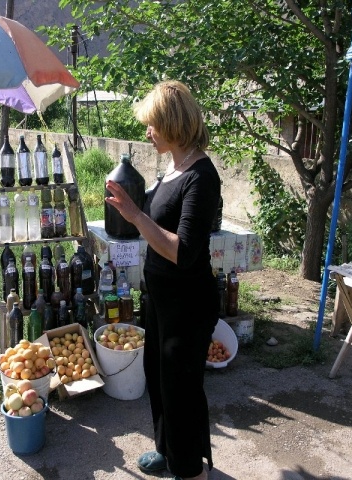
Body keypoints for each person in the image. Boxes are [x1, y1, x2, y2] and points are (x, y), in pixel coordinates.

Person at [105, 80, 220, 480]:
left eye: (153, 124)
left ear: (173, 123)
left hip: (188, 304)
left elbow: (183, 251)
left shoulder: (202, 176)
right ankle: (166, 450)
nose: (148, 132)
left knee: (181, 390)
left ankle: (190, 470)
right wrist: (132, 212)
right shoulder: (172, 167)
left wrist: (137, 216)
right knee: (158, 378)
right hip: (161, 298)